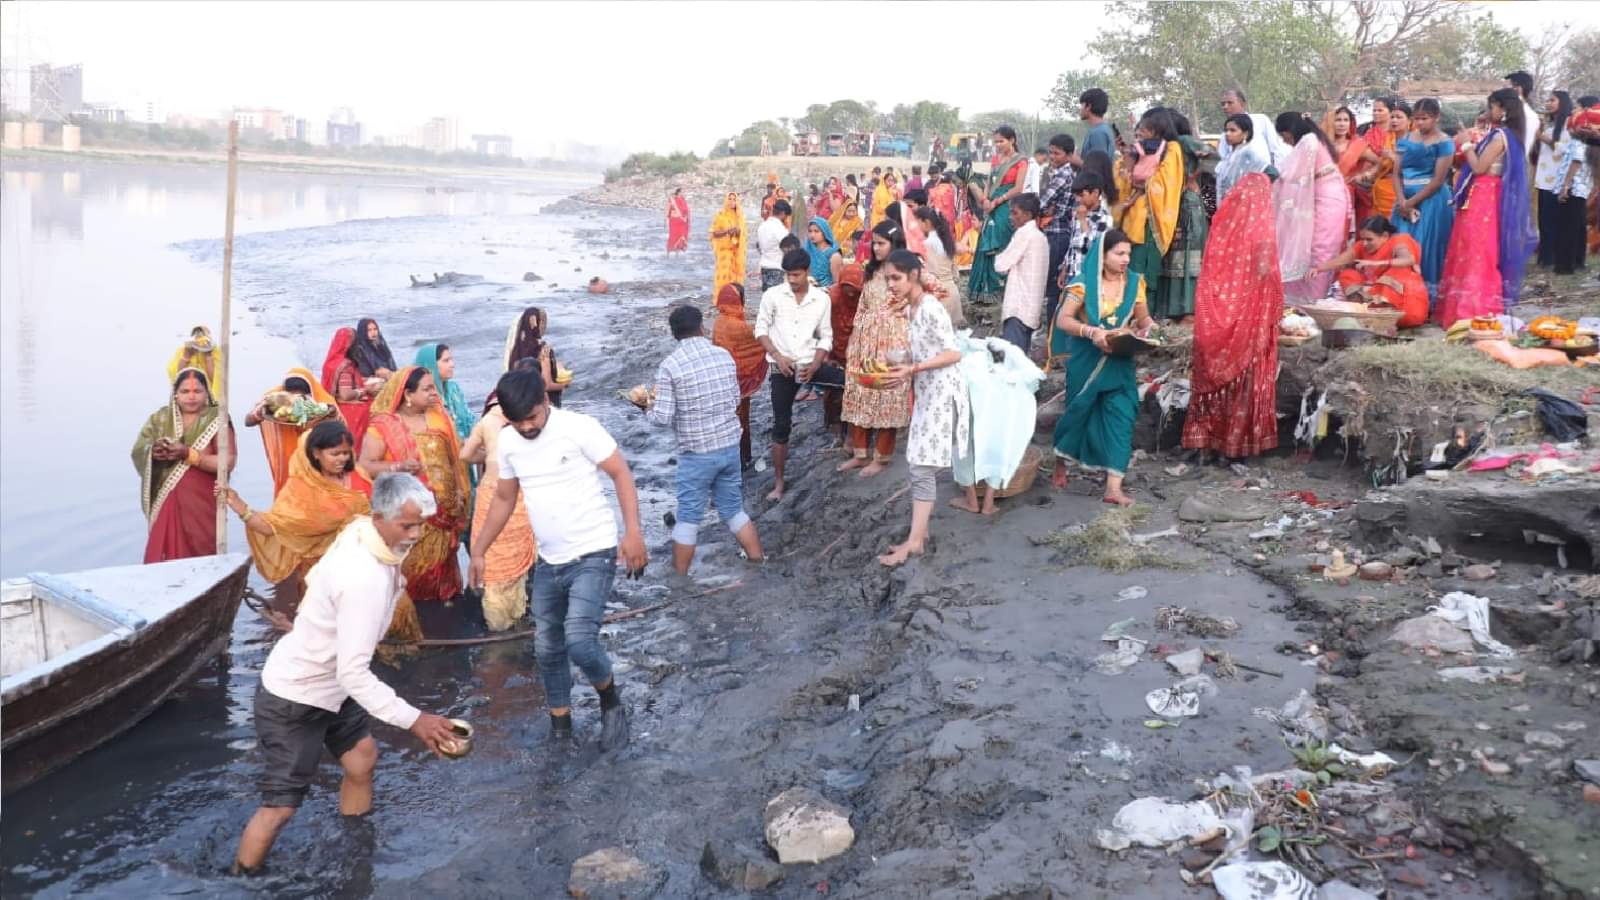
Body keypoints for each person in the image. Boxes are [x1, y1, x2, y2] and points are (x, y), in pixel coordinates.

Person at [231, 472, 460, 875]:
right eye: (407, 526)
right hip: (295, 697)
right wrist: (416, 720)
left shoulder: (362, 530)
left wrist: (309, 623)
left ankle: (355, 844)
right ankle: (239, 879)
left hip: (331, 684)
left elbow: (322, 586)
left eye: (420, 524)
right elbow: (354, 673)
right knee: (281, 808)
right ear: (379, 518)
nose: (416, 534)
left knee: (362, 758)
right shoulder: (365, 578)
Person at [469, 368, 648, 750]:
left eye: (532, 418)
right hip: (549, 559)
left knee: (580, 641)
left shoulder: (579, 428)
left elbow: (620, 473)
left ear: (545, 401)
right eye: (517, 422)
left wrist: (633, 533)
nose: (527, 428)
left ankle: (611, 700)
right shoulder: (510, 440)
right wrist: (479, 550)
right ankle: (561, 726)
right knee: (547, 647)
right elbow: (504, 498)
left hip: (594, 550)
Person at [646, 306, 764, 574]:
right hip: (729, 447)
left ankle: (679, 579)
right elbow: (735, 399)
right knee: (734, 510)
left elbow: (663, 418)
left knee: (687, 518)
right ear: (701, 328)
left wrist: (646, 409)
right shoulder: (723, 356)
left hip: (697, 454)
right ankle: (758, 560)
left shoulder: (670, 366)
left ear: (674, 334)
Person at [875, 250, 967, 568]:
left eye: (896, 278)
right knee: (919, 462)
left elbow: (953, 353)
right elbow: (922, 350)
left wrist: (912, 369)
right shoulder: (913, 308)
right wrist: (900, 364)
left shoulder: (929, 307)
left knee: (921, 466)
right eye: (888, 279)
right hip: (928, 393)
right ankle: (919, 535)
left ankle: (915, 542)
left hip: (942, 393)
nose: (891, 285)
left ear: (913, 276)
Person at [1183, 172, 1282, 463]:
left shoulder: (1223, 225)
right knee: (1247, 378)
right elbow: (1266, 271)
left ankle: (1206, 442)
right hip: (1249, 316)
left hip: (1216, 314)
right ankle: (1235, 446)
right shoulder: (1262, 229)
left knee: (1213, 382)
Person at [1049, 230, 1153, 506]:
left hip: (1120, 362)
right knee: (1078, 413)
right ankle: (1061, 462)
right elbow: (1063, 320)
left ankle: (1113, 488)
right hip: (1087, 360)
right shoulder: (1083, 284)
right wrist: (1091, 331)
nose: (1125, 259)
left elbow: (1144, 320)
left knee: (1122, 417)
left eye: (1128, 254)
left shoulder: (1134, 284)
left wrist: (1154, 333)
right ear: (1102, 255)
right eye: (1119, 253)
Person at [358, 367, 470, 607]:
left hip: (445, 513)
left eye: (433, 387)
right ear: (407, 394)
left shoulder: (439, 417)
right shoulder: (383, 426)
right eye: (427, 388)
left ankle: (445, 611)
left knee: (444, 576)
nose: (434, 392)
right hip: (408, 514)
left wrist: (459, 491)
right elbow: (365, 465)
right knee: (413, 576)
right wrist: (397, 466)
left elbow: (455, 460)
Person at [221, 419, 371, 592]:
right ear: (316, 453)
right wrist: (237, 503)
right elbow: (270, 527)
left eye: (346, 453)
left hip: (364, 563)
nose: (342, 459)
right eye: (335, 454)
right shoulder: (300, 490)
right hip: (322, 573)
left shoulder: (358, 474)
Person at [1436, 88, 1538, 324]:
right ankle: (1466, 308)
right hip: (1484, 196)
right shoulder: (1510, 135)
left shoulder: (1501, 136)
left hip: (1484, 197)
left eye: (1491, 106)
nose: (1489, 111)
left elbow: (1480, 167)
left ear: (1502, 109)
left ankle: (1473, 311)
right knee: (1473, 249)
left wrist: (1465, 145)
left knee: (1477, 252)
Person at [755, 248, 842, 500]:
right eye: (788, 275)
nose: (791, 280)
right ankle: (779, 483)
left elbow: (825, 336)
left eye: (795, 275)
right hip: (782, 369)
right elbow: (760, 329)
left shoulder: (821, 299)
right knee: (781, 425)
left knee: (844, 385)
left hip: (809, 364)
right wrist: (778, 357)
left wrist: (815, 365)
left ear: (806, 272)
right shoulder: (773, 296)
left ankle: (839, 435)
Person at [133, 368, 237, 563]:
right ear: (175, 394)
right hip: (166, 499)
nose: (191, 397)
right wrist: (153, 453)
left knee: (203, 554)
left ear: (207, 392)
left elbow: (228, 461)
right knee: (162, 556)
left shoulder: (218, 418)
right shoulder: (160, 419)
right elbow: (139, 450)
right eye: (185, 392)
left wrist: (188, 454)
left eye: (197, 391)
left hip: (202, 503)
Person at [840, 220, 912, 477]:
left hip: (892, 344)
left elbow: (921, 299)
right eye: (874, 242)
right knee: (860, 392)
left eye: (881, 243)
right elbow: (862, 308)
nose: (876, 247)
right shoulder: (870, 272)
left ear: (895, 244)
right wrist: (852, 341)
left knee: (887, 397)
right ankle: (861, 454)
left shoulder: (906, 272)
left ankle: (881, 457)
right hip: (864, 342)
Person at [460, 393, 536, 631]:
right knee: (516, 564)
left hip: (489, 495)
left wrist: (490, 458)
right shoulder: (527, 422)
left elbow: (465, 455)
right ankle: (516, 614)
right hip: (517, 497)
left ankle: (497, 623)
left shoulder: (486, 422)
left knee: (491, 563)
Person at [1273, 111, 1352, 302]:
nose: (1284, 141)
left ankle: (1314, 301)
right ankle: (1304, 299)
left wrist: (1266, 179)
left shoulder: (1308, 141)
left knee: (1319, 249)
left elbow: (1289, 173)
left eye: (1283, 135)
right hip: (1326, 194)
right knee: (1311, 247)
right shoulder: (1313, 139)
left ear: (1290, 130)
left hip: (1327, 199)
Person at [1118, 110, 1185, 316]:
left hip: (1152, 221)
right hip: (1132, 221)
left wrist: (1139, 178)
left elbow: (1164, 183)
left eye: (1145, 130)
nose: (1141, 134)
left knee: (1146, 273)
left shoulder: (1171, 149)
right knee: (1130, 272)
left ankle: (1145, 320)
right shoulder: (1138, 150)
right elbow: (1124, 178)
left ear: (1157, 129)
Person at [1389, 98, 1456, 300]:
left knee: (1427, 247)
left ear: (1436, 118)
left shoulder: (1444, 142)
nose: (1419, 123)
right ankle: (1402, 296)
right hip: (1403, 200)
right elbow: (1396, 173)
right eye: (1416, 119)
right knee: (1402, 246)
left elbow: (1438, 180)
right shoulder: (1405, 140)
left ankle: (1427, 298)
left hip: (1432, 201)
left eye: (1424, 119)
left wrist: (1411, 203)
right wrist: (1401, 201)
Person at [1317, 216, 1430, 328]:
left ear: (1385, 236)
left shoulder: (1400, 240)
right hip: (1373, 299)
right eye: (1363, 239)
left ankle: (1383, 313)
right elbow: (1341, 260)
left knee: (1398, 270)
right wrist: (1318, 268)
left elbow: (1408, 260)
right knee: (1348, 274)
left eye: (1369, 239)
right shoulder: (1362, 246)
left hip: (1405, 307)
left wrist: (1376, 263)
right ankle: (1360, 311)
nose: (1365, 243)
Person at [245, 368, 340, 497]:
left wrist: (321, 419)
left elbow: (338, 430)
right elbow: (248, 421)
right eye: (292, 397)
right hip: (287, 464)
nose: (297, 402)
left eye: (301, 397)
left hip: (314, 463)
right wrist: (260, 412)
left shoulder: (321, 404)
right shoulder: (275, 399)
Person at [712, 283, 769, 467]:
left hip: (721, 379)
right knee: (741, 419)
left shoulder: (719, 321)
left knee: (726, 419)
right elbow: (759, 342)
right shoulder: (739, 326)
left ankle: (731, 458)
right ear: (740, 301)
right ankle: (743, 458)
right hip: (740, 380)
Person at [969, 126, 1029, 299]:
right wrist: (986, 199)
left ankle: (1002, 287)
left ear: (1012, 140)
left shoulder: (1021, 161)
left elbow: (1018, 188)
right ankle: (984, 290)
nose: (998, 145)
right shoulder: (996, 158)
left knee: (1003, 241)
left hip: (1007, 206)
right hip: (991, 205)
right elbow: (989, 182)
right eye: (995, 141)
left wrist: (997, 201)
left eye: (1001, 141)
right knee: (985, 242)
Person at [994, 192, 1049, 352]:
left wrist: (998, 257)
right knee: (1022, 358)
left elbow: (1001, 265)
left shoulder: (1024, 233)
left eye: (1014, 213)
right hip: (1030, 308)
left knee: (1013, 362)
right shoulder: (1040, 236)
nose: (1010, 217)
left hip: (1018, 308)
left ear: (1028, 215)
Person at [1039, 134, 1078, 327]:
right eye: (1050, 152)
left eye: (1057, 153)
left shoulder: (1063, 174)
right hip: (1057, 231)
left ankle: (1052, 334)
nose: (1052, 157)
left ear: (1069, 155)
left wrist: (1039, 209)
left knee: (1054, 286)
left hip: (1058, 233)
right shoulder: (1059, 173)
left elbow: (1042, 202)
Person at [1534, 91, 1577, 267]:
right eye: (1548, 100)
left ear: (1563, 103)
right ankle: (1545, 257)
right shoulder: (1551, 128)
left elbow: (1567, 151)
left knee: (1554, 222)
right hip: (1544, 180)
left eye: (1552, 100)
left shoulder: (1571, 126)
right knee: (1544, 221)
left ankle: (1553, 257)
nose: (1548, 103)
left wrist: (1543, 138)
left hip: (1558, 182)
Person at [1551, 109, 1595, 275]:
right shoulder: (1591, 145)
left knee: (1566, 229)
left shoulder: (1577, 143)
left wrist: (1565, 187)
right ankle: (1577, 262)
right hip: (1581, 191)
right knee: (1577, 228)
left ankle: (1564, 266)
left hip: (1572, 190)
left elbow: (1575, 163)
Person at [824, 263, 865, 437]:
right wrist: (825, 354)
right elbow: (820, 327)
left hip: (860, 352)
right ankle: (838, 434)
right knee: (834, 395)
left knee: (859, 393)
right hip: (834, 351)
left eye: (854, 289)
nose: (850, 293)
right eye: (846, 288)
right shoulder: (831, 298)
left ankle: (857, 434)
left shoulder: (866, 299)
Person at [321, 327, 374, 454]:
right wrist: (365, 390)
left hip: (334, 409)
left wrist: (363, 382)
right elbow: (345, 394)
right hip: (350, 413)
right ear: (350, 345)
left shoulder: (331, 362)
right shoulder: (345, 365)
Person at [503, 307, 568, 408]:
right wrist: (565, 385)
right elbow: (546, 385)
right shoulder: (543, 350)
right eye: (543, 322)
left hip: (520, 405)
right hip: (543, 406)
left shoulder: (515, 351)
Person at [413, 344, 477, 444]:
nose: (452, 364)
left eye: (451, 360)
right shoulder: (422, 397)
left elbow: (470, 419)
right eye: (446, 361)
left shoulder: (453, 388)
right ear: (431, 365)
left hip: (468, 446)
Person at [913, 206, 965, 328]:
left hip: (939, 296)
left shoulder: (927, 245)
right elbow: (955, 274)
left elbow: (930, 273)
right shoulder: (947, 242)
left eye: (917, 222)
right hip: (953, 292)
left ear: (926, 223)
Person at [1218, 89, 1287, 170]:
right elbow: (1223, 160)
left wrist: (1277, 175)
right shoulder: (1225, 134)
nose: (1225, 107)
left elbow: (1276, 149)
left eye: (1230, 103)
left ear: (1243, 104)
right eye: (1223, 104)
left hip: (1263, 176)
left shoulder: (1260, 120)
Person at [1216, 114, 1271, 205]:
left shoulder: (1248, 154)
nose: (1227, 134)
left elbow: (1272, 173)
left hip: (1242, 208)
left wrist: (1250, 192)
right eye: (1226, 130)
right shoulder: (1230, 155)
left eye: (1233, 130)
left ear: (1245, 134)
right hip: (1226, 207)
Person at [1365, 97, 1400, 220]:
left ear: (1390, 112)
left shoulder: (1398, 132)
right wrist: (1381, 161)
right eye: (1374, 110)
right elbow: (1365, 159)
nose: (1375, 113)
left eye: (1380, 110)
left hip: (1399, 184)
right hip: (1376, 183)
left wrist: (1390, 157)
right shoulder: (1369, 134)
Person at [166, 325, 223, 398]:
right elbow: (177, 376)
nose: (199, 336)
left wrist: (208, 355)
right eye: (196, 333)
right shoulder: (182, 351)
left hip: (208, 396)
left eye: (202, 333)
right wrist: (186, 356)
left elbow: (216, 379)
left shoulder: (215, 352)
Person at [710, 191, 747, 297]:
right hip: (724, 253)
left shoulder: (740, 217)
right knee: (723, 277)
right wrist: (727, 231)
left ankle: (735, 299)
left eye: (734, 199)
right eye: (729, 199)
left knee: (735, 277)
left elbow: (744, 234)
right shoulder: (720, 216)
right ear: (726, 201)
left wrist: (738, 232)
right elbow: (714, 233)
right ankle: (721, 298)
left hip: (737, 252)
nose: (732, 202)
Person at [757, 199, 793, 292]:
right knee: (777, 302)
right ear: (783, 214)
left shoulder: (762, 226)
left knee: (768, 299)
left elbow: (759, 247)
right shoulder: (780, 229)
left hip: (764, 267)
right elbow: (788, 250)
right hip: (777, 268)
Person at [1079, 88, 1115, 162]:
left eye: (1082, 105)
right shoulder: (1102, 129)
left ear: (1088, 106)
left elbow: (1098, 167)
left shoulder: (1098, 132)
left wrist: (1075, 160)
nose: (1080, 109)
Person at [807, 217, 843, 288]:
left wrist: (822, 290)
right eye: (810, 231)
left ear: (825, 232)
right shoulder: (807, 250)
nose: (812, 235)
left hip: (828, 293)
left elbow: (838, 283)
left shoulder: (834, 255)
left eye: (816, 231)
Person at [667, 187, 690, 253]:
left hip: (683, 221)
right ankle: (671, 248)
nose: (684, 193)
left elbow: (686, 210)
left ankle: (680, 248)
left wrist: (685, 218)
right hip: (674, 220)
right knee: (674, 234)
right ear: (679, 192)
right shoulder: (672, 200)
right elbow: (668, 211)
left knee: (682, 234)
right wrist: (667, 219)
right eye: (683, 192)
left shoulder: (683, 200)